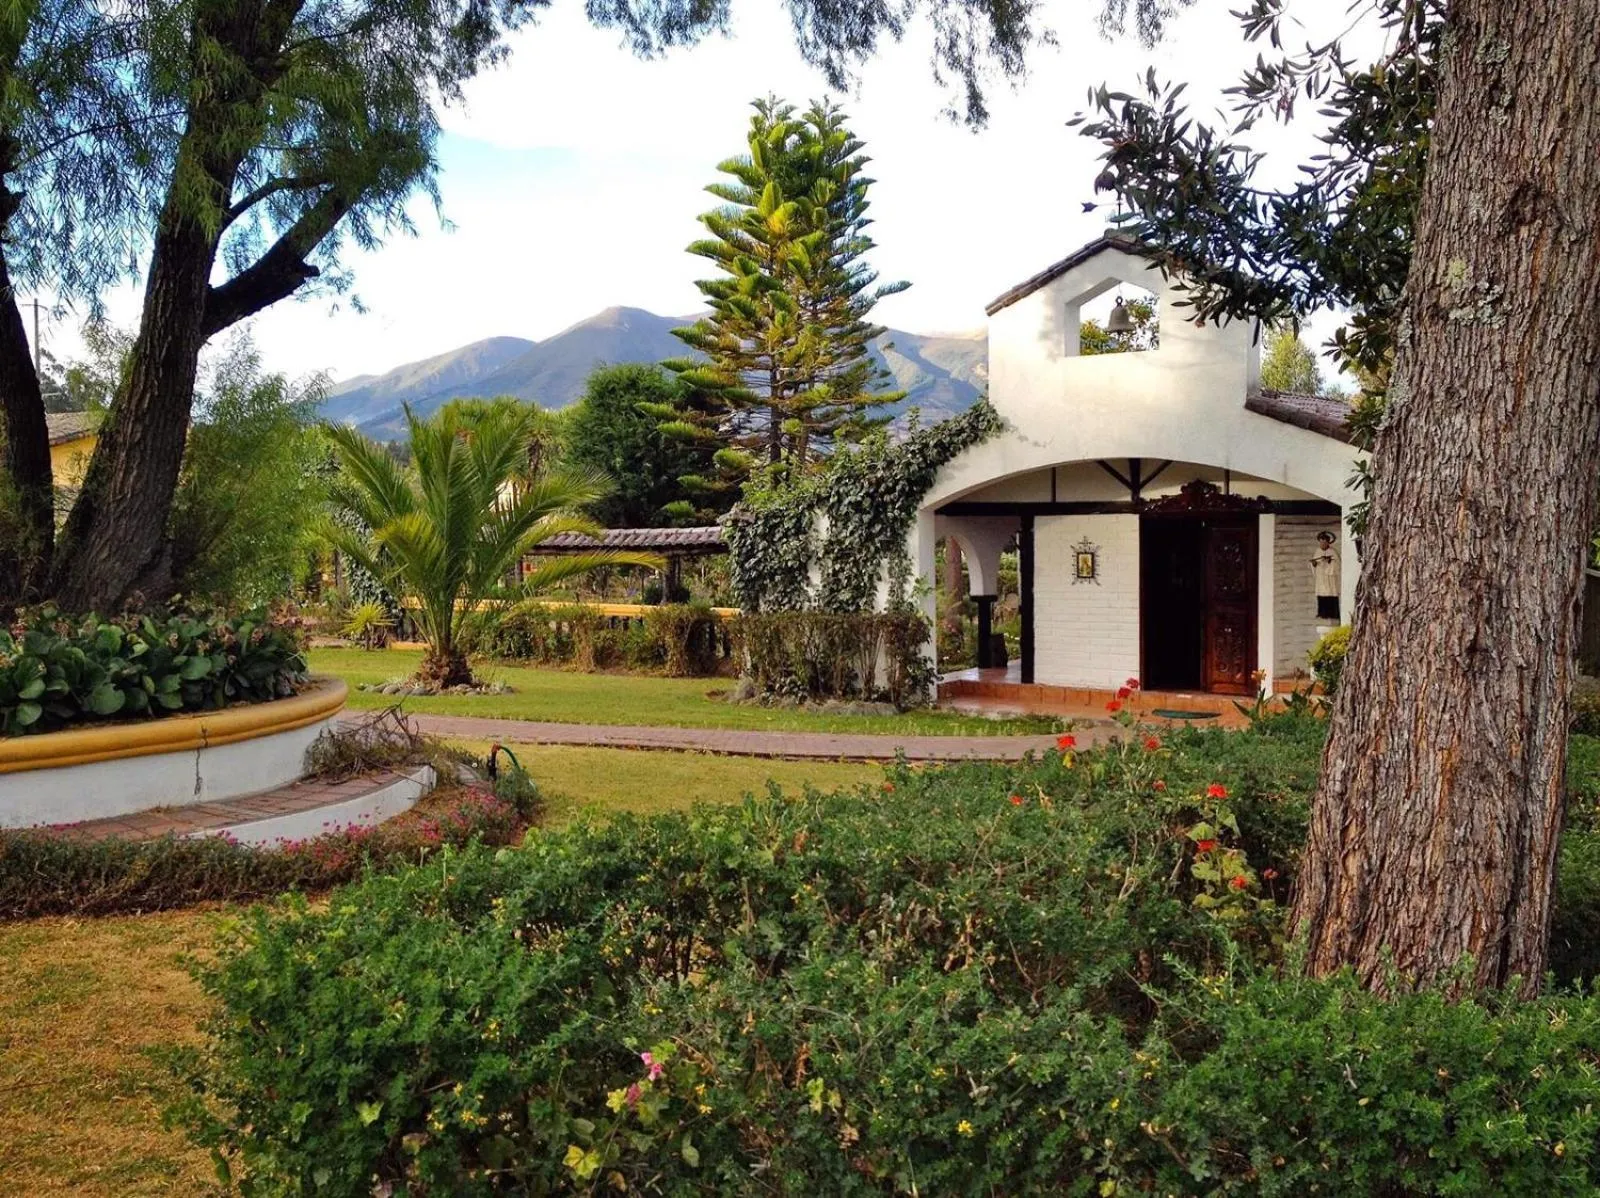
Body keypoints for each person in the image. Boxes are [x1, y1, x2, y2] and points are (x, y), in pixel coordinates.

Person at [1311, 530, 1340, 622]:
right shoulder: (1317, 551)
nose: (1322, 544)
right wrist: (1314, 564)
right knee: (1321, 594)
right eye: (1321, 542)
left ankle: (1332, 613)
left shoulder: (1332, 552)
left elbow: (1337, 564)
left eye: (1324, 542)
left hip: (1329, 578)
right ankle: (1322, 613)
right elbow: (1314, 563)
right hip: (1321, 577)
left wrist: (1329, 561)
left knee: (1330, 593)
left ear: (1328, 542)